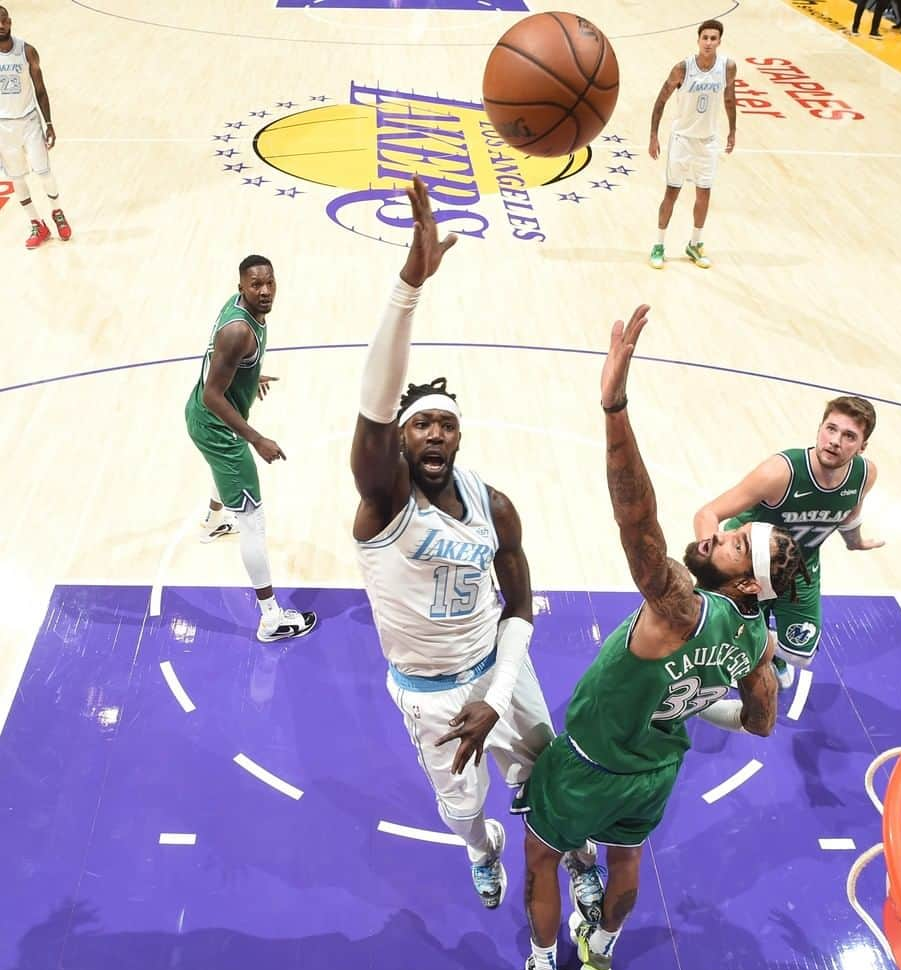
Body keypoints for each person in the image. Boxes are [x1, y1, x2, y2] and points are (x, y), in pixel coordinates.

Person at [515, 303, 808, 970]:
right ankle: (602, 950)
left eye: (737, 544)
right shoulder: (753, 637)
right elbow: (762, 722)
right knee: (625, 861)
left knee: (540, 860)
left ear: (743, 581)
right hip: (652, 773)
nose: (720, 535)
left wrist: (614, 405)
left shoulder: (680, 607)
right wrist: (727, 702)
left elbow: (636, 520)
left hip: (589, 762)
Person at [350, 177, 601, 913]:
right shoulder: (382, 502)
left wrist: (496, 694)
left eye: (445, 424)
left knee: (549, 772)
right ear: (400, 439)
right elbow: (370, 408)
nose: (433, 433)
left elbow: (520, 608)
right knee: (463, 809)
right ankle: (482, 851)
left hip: (498, 670)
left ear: (459, 435)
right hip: (429, 693)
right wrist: (408, 287)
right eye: (419, 424)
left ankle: (575, 849)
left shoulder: (496, 507)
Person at [693, 397, 883, 691]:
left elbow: (850, 511)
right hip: (748, 564)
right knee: (707, 633)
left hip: (801, 567)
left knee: (801, 655)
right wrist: (713, 567)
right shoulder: (780, 472)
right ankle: (748, 643)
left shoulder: (864, 475)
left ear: (862, 446)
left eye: (849, 436)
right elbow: (708, 513)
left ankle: (759, 645)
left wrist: (855, 542)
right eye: (830, 429)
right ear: (819, 428)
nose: (834, 441)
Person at [184, 255, 317, 644]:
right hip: (218, 427)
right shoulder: (239, 331)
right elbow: (213, 394)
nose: (264, 291)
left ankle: (211, 523)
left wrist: (252, 374)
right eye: (255, 285)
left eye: (269, 283)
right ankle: (271, 618)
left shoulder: (242, 311)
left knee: (225, 478)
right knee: (253, 521)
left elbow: (224, 368)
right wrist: (255, 438)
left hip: (204, 419)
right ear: (241, 285)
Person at [647, 19, 736, 271]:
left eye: (713, 38)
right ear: (698, 40)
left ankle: (694, 244)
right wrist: (653, 135)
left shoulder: (727, 67)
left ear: (719, 41)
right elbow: (660, 100)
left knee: (703, 194)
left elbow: (730, 98)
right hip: (682, 140)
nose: (708, 42)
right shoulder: (682, 68)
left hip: (708, 142)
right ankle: (659, 245)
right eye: (705, 37)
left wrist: (732, 131)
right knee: (671, 194)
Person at [0, 6, 72, 249]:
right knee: (17, 178)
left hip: (29, 121)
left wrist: (49, 123)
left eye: (3, 21)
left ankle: (57, 212)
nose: (0, 26)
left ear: (9, 21)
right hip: (3, 127)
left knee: (44, 173)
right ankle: (36, 223)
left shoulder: (27, 51)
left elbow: (40, 89)